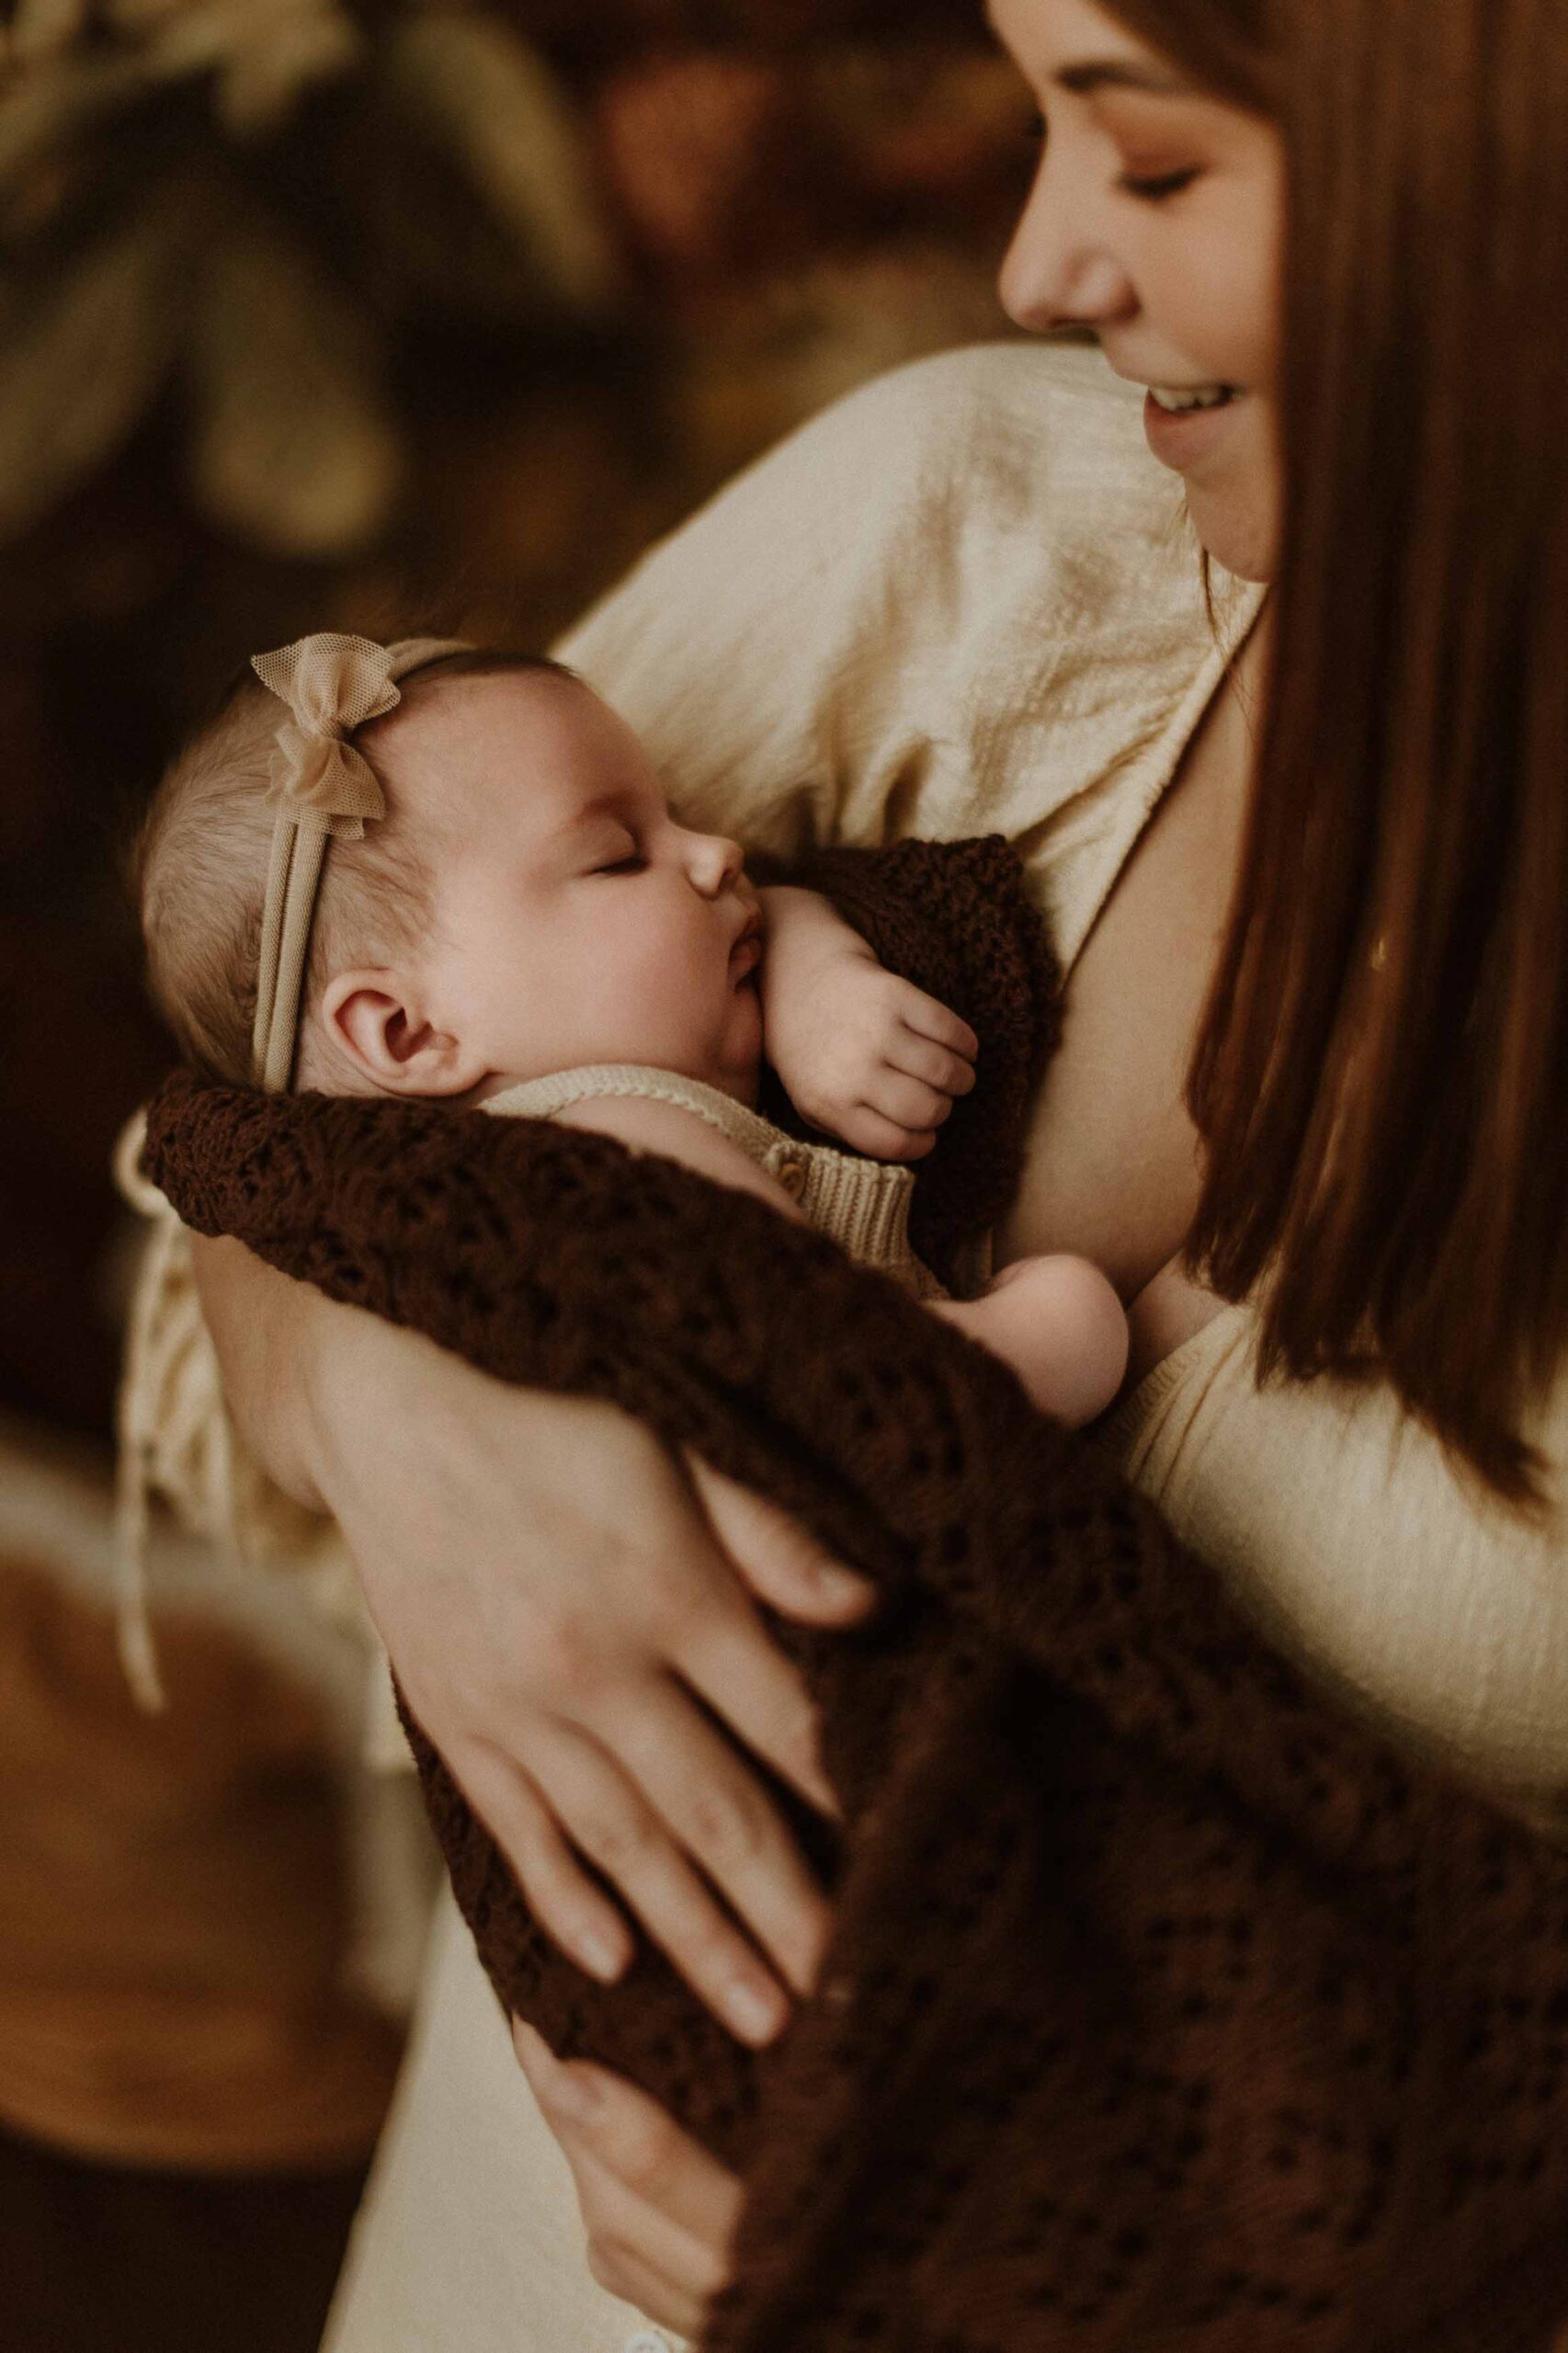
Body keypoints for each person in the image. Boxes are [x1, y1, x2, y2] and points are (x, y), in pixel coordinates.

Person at [124, 0, 1567, 2343]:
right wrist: (401, 1399)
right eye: (1034, 121)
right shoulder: (961, 518)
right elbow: (262, 1133)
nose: (1031, 261)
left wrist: (1087, 2270)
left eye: (1157, 157)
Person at [132, 631, 1128, 1429]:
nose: (716, 851)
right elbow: (870, 1401)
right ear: (406, 1032)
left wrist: (817, 976)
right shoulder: (604, 1164)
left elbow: (777, 895)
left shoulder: (625, 1085)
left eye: (677, 812)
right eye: (618, 855)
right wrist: (1055, 1328)